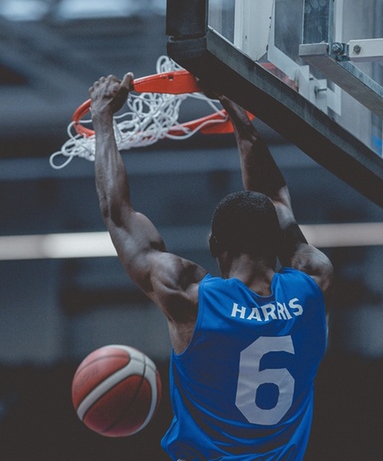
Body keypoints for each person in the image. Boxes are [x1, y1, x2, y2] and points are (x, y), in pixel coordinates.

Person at [89, 73, 333, 461]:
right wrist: (235, 106)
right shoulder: (312, 282)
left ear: (213, 247)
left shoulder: (191, 300)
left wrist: (103, 118)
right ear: (276, 241)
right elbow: (274, 199)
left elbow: (118, 215)